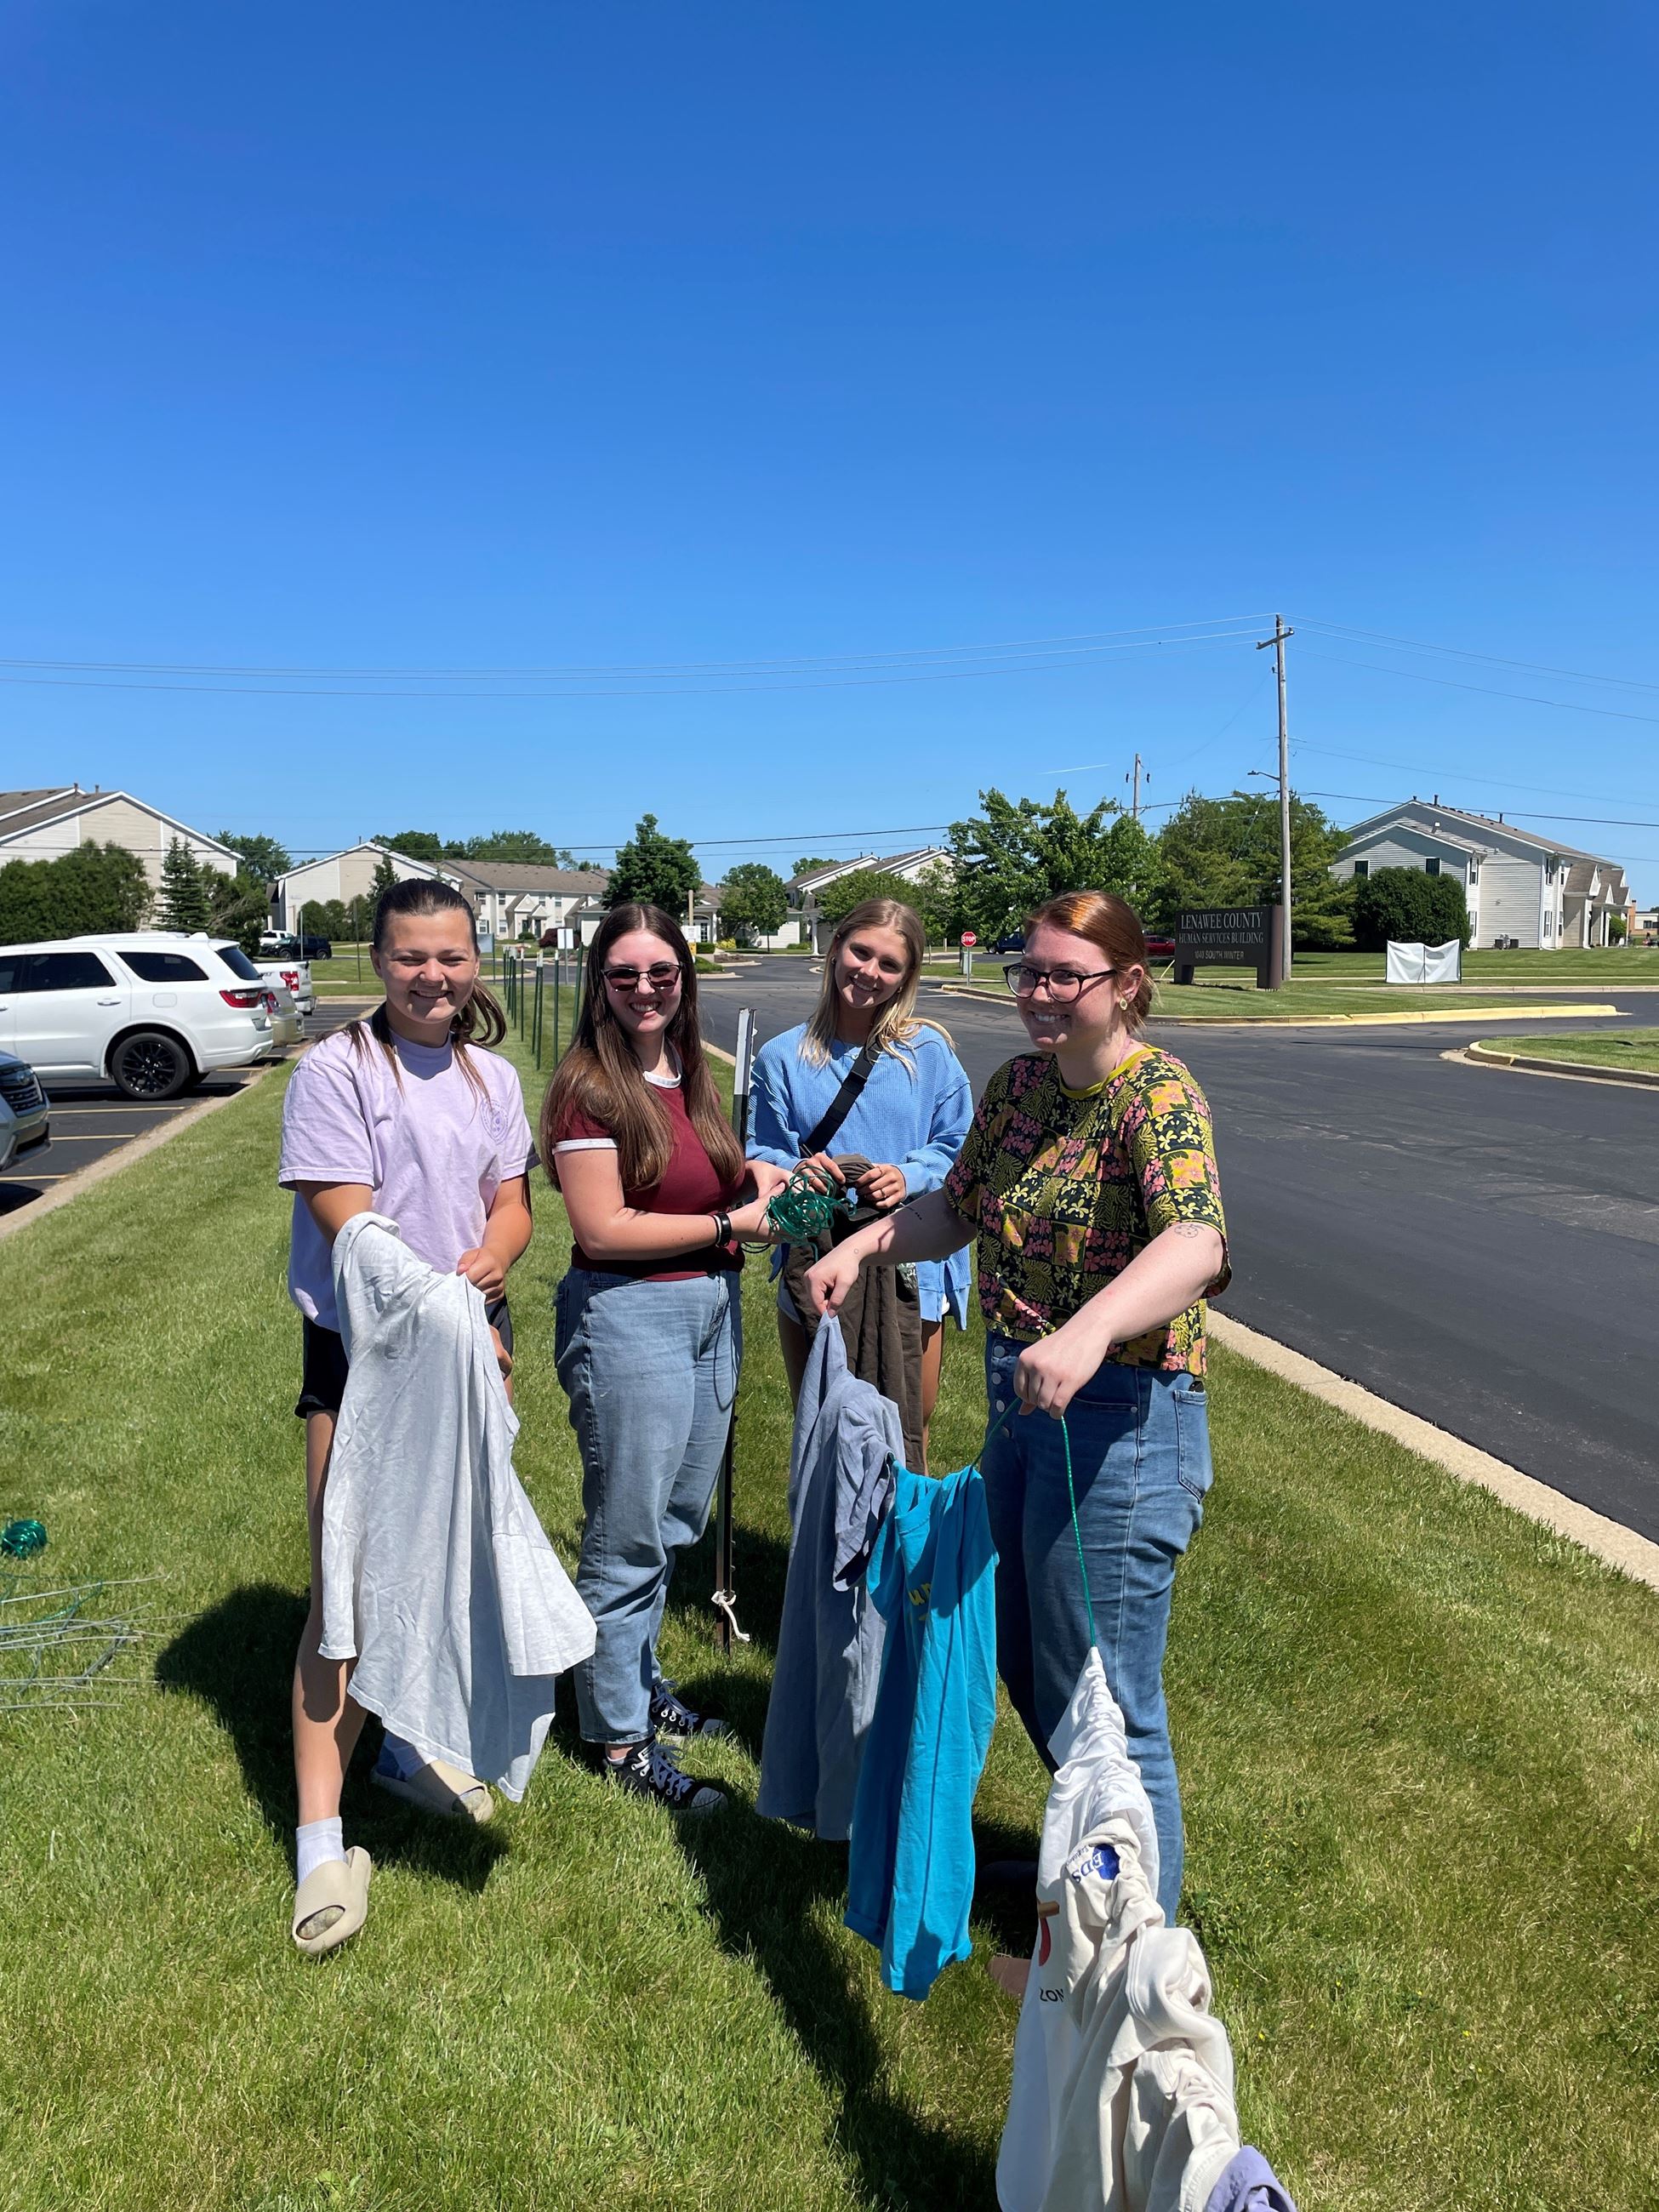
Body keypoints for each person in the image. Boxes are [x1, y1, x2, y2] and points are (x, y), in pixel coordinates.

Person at [807, 890, 1228, 1924]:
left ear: (1127, 984)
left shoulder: (1156, 1095)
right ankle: (1087, 1868)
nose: (1038, 995)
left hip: (1126, 1417)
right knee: (1022, 1648)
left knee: (1110, 1697)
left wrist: (1087, 1332)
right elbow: (961, 1207)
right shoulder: (1022, 1087)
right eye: (1027, 972)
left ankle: (1137, 1954)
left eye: (1062, 977)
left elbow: (1197, 1242)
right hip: (1024, 1408)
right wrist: (863, 1244)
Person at [278, 877, 536, 1953]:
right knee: (343, 1584)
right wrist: (442, 1300)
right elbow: (345, 1212)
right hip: (368, 1348)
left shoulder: (492, 1075)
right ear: (379, 960)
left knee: (445, 1566)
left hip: (474, 1337)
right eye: (411, 956)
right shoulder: (334, 1069)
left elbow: (509, 1199)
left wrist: (496, 1259)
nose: (434, 975)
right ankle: (320, 1842)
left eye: (453, 955)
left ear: (478, 960)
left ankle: (404, 1748)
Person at [542, 903, 789, 1814]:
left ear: (684, 977)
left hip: (709, 1308)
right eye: (624, 974)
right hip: (629, 1317)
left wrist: (760, 1182)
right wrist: (734, 1221)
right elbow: (602, 1227)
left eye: (662, 972)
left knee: (676, 1518)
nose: (645, 989)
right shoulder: (588, 1085)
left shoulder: (688, 1070)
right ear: (598, 983)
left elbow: (702, 1176)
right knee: (627, 1533)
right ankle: (614, 1741)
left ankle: (635, 1684)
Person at [747, 897, 972, 1469]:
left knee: (903, 1426)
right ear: (835, 948)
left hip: (910, 1263)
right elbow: (763, 1154)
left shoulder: (928, 1054)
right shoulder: (782, 1057)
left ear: (906, 977)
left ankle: (896, 1555)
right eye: (860, 952)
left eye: (889, 964)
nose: (870, 972)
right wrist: (802, 1171)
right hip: (815, 1260)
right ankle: (825, 1553)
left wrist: (907, 1175)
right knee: (823, 1424)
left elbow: (962, 1151)